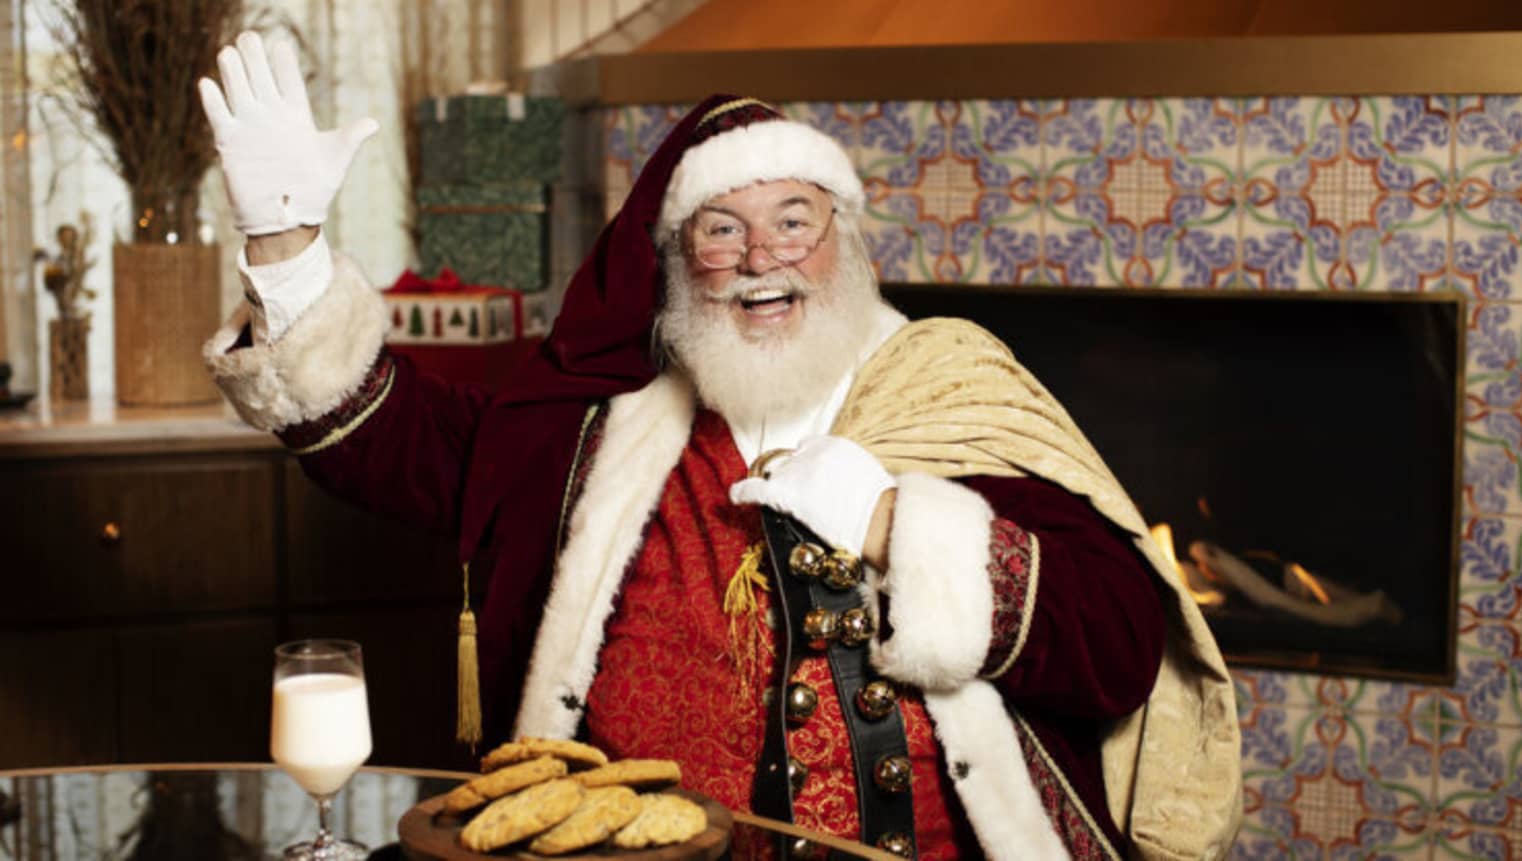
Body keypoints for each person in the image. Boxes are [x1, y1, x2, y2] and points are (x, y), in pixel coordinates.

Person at [198, 32, 1241, 861]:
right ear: (674, 263)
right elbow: (399, 442)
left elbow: (1117, 645)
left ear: (844, 243)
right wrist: (286, 247)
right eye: (721, 229)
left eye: (794, 220)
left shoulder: (948, 385)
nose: (760, 259)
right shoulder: (597, 432)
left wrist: (897, 523)